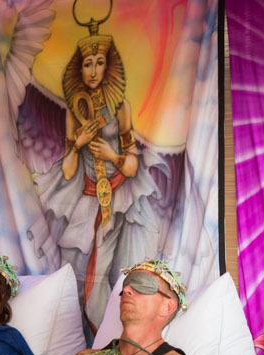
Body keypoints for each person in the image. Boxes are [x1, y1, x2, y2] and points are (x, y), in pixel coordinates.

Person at [31, 7, 165, 332]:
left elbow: (131, 166)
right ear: (80, 68)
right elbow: (68, 172)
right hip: (86, 202)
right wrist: (77, 144)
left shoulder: (120, 108)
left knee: (104, 278)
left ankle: (108, 341)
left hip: (115, 201)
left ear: (108, 65)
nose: (93, 70)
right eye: (87, 63)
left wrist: (111, 155)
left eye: (99, 62)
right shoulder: (73, 111)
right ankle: (88, 342)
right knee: (74, 278)